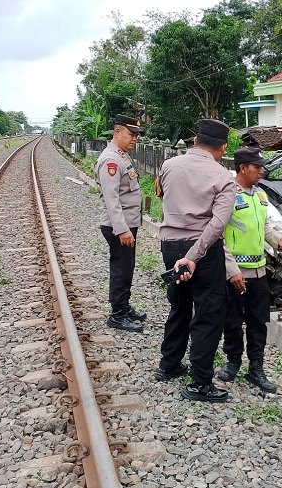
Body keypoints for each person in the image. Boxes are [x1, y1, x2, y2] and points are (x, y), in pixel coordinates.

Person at [154, 119, 237, 403]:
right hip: (203, 252)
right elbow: (218, 224)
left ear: (194, 141)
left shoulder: (168, 165)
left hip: (170, 245)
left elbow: (163, 198)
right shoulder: (224, 177)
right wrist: (193, 257)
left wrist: (181, 255)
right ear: (222, 147)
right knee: (207, 315)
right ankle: (200, 383)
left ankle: (169, 364)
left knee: (179, 305)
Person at [217, 147, 282, 393]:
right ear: (242, 168)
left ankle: (256, 368)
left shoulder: (261, 196)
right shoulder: (227, 194)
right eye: (257, 167)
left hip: (259, 272)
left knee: (258, 323)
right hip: (235, 273)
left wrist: (277, 240)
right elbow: (217, 235)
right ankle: (232, 361)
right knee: (231, 321)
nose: (262, 171)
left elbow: (263, 227)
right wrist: (232, 270)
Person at [94, 115, 144, 332]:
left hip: (127, 223)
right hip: (119, 226)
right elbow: (111, 198)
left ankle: (124, 306)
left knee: (127, 268)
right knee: (121, 269)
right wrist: (122, 229)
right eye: (131, 134)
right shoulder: (111, 160)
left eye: (136, 135)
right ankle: (117, 314)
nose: (134, 139)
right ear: (117, 132)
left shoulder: (121, 156)